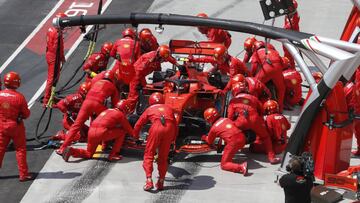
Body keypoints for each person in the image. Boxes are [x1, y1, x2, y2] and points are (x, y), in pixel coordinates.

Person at [56, 70, 119, 154]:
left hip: (86, 103)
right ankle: (105, 144)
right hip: (97, 105)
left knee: (76, 126)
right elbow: (116, 106)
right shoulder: (112, 87)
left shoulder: (95, 81)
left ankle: (62, 148)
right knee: (109, 121)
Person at [62, 100, 134, 161]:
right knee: (122, 132)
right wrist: (136, 137)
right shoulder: (120, 115)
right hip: (101, 133)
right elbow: (128, 129)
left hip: (91, 132)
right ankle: (114, 154)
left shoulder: (107, 110)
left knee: (89, 153)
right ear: (126, 109)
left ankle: (72, 151)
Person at [133, 92, 177, 191]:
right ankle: (161, 182)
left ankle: (149, 180)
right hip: (170, 129)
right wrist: (173, 140)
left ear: (151, 101)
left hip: (156, 127)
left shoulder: (150, 109)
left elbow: (138, 125)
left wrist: (135, 138)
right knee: (163, 158)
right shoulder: (169, 108)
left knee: (149, 154)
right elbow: (175, 125)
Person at [228, 83, 280, 164]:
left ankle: (230, 155)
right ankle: (271, 157)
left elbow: (230, 117)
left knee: (232, 135)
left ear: (235, 91)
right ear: (245, 90)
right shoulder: (253, 98)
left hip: (240, 122)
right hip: (255, 120)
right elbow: (262, 111)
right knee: (266, 137)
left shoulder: (233, 101)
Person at [0, 72, 32, 181]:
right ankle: (23, 174)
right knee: (20, 149)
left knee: (0, 149)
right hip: (16, 127)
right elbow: (26, 114)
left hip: (2, 126)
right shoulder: (19, 97)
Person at [202, 107, 248, 175]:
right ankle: (230, 156)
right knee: (228, 141)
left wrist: (204, 137)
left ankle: (241, 167)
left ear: (209, 119)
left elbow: (209, 141)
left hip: (233, 142)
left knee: (224, 165)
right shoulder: (226, 119)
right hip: (243, 138)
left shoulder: (213, 128)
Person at [250, 41, 286, 112]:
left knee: (254, 86)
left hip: (266, 70)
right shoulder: (273, 51)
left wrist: (252, 75)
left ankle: (255, 106)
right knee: (281, 88)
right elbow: (282, 63)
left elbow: (254, 66)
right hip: (277, 68)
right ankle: (280, 108)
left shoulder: (256, 53)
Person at [43, 12, 67, 106]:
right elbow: (58, 48)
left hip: (49, 54)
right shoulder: (57, 33)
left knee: (52, 77)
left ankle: (50, 97)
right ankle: (47, 100)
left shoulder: (50, 29)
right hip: (54, 57)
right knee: (52, 78)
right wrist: (62, 57)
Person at [283, 0, 300, 69]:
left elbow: (288, 27)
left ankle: (291, 68)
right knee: (287, 54)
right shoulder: (289, 15)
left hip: (292, 37)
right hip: (287, 35)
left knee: (289, 54)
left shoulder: (295, 16)